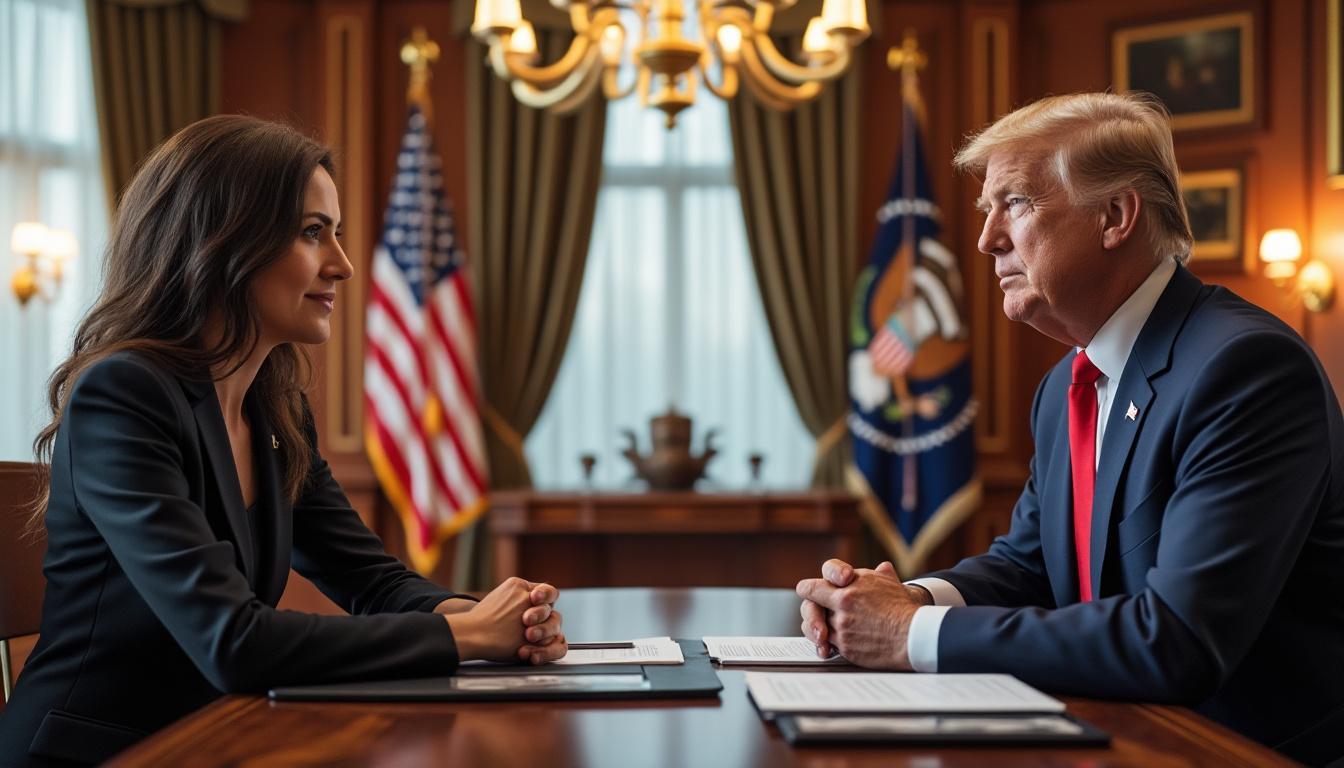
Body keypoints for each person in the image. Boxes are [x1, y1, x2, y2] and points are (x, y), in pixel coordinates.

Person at [0, 116, 567, 766]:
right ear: (221, 240)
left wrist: (493, 615)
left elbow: (371, 579)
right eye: (311, 232)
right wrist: (462, 636)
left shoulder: (277, 409)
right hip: (104, 753)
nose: (344, 265)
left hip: (218, 741)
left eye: (338, 234)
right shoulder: (123, 395)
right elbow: (233, 642)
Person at [796, 92, 1344, 764]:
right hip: (1103, 733)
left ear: (1115, 216)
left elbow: (1175, 638)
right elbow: (1029, 567)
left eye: (1016, 203)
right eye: (986, 211)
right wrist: (899, 597)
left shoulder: (1245, 369)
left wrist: (912, 633)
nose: (986, 238)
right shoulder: (1066, 385)